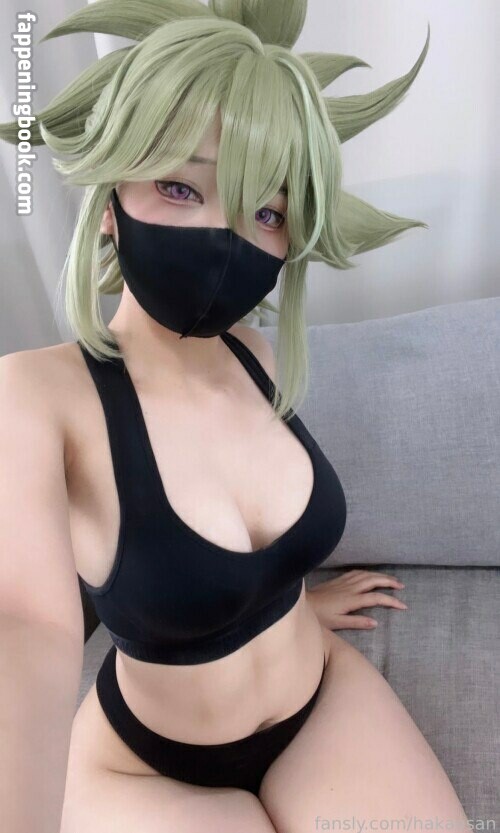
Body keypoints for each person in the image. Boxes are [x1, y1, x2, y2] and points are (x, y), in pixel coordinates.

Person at [0, 2, 470, 832]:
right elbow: (27, 630)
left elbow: (246, 552)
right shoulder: (36, 396)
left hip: (319, 700)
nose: (224, 237)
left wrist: (291, 603)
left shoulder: (257, 355)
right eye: (180, 186)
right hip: (145, 766)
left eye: (267, 212)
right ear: (110, 197)